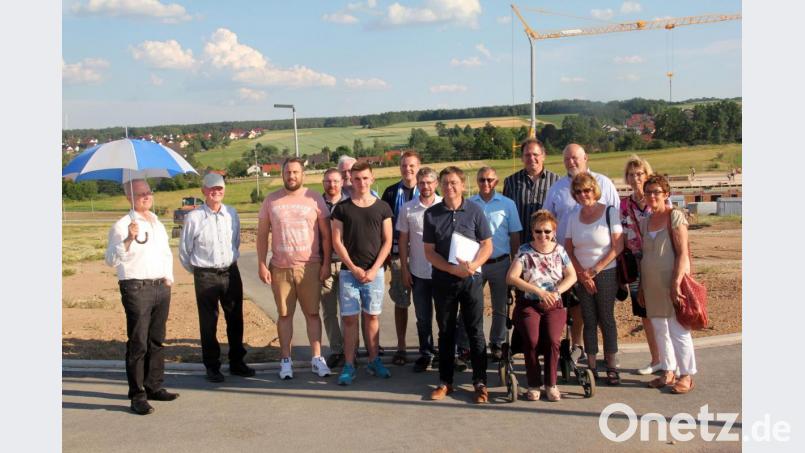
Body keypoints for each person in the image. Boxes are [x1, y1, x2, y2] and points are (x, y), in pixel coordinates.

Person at [105, 179, 179, 415]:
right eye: (140, 194)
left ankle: (154, 385)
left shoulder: (157, 223)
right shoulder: (122, 225)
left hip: (160, 286)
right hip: (136, 288)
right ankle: (137, 395)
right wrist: (127, 238)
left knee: (156, 340)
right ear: (129, 198)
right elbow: (111, 260)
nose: (147, 197)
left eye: (149, 192)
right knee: (138, 343)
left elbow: (165, 253)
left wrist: (168, 278)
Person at [257, 157, 333, 380]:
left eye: (296, 172)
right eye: (288, 172)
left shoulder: (314, 198)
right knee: (284, 315)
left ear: (303, 175)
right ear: (282, 174)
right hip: (280, 268)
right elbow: (262, 235)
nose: (291, 176)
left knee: (312, 314)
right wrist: (262, 263)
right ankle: (285, 360)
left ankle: (317, 358)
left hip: (310, 266)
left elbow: (327, 235)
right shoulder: (271, 200)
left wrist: (326, 263)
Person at [423, 166, 493, 404]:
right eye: (445, 183)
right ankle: (445, 381)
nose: (449, 187)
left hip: (471, 280)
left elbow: (487, 245)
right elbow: (429, 252)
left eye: (453, 183)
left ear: (462, 185)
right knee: (446, 332)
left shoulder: (475, 211)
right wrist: (452, 269)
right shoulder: (431, 214)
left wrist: (473, 266)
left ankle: (480, 382)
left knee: (475, 332)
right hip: (444, 281)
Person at [544, 143, 619, 363]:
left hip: (603, 266)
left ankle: (610, 360)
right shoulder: (556, 189)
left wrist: (595, 269)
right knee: (577, 311)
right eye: (567, 159)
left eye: (575, 158)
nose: (571, 162)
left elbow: (617, 231)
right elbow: (548, 221)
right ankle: (578, 350)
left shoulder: (605, 183)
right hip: (568, 263)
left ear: (585, 157)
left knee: (605, 316)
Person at [179, 173, 255, 383]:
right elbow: (185, 251)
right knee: (208, 322)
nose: (216, 192)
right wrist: (199, 272)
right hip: (206, 275)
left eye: (219, 189)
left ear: (224, 190)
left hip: (230, 271)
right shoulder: (194, 218)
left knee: (235, 319)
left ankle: (237, 362)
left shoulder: (231, 213)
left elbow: (235, 241)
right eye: (212, 189)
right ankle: (212, 366)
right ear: (204, 191)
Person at [331, 162, 394, 385]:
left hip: (374, 275)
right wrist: (353, 267)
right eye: (357, 179)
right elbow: (336, 241)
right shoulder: (341, 208)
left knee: (372, 317)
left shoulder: (383, 207)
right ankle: (349, 365)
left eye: (365, 178)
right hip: (350, 274)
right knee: (349, 320)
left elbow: (387, 242)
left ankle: (374, 360)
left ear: (372, 179)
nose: (361, 183)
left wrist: (375, 269)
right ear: (351, 181)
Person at [506, 210, 577, 402]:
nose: (542, 236)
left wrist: (556, 292)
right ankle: (534, 383)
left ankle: (551, 383)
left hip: (554, 304)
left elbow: (572, 275)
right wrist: (538, 291)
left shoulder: (560, 251)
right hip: (530, 304)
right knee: (532, 340)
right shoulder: (524, 251)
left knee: (554, 341)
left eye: (547, 231)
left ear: (554, 231)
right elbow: (511, 277)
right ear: (532, 231)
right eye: (538, 231)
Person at [563, 173, 623, 386]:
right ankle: (591, 365)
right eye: (578, 192)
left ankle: (612, 365)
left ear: (594, 190)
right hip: (581, 274)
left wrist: (594, 271)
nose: (583, 195)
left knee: (606, 318)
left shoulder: (609, 212)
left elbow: (618, 246)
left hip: (606, 272)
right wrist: (581, 274)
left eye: (587, 190)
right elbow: (568, 249)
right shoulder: (573, 217)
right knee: (588, 320)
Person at [639, 174, 697, 394]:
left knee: (678, 329)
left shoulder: (675, 217)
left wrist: (676, 282)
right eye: (648, 192)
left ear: (666, 194)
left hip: (673, 282)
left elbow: (683, 254)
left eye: (656, 192)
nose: (652, 196)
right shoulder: (646, 222)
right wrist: (642, 287)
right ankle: (668, 370)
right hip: (652, 283)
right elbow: (644, 256)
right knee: (659, 329)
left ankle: (686, 374)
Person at [463, 166, 522, 360]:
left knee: (501, 307)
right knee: (472, 305)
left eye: (490, 180)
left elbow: (514, 235)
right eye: (482, 180)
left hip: (501, 263)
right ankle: (468, 345)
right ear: (477, 181)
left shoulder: (508, 204)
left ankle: (497, 343)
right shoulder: (468, 203)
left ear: (496, 182)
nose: (486, 184)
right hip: (476, 263)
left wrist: (515, 264)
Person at [396, 167, 442, 372]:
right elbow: (403, 240)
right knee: (423, 317)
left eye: (429, 182)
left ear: (436, 183)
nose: (426, 186)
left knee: (445, 316)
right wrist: (405, 270)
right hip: (418, 272)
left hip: (443, 272)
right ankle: (426, 353)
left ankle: (446, 352)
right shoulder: (408, 208)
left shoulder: (445, 206)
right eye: (422, 182)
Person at [619, 156, 661, 375]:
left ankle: (671, 361)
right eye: (631, 174)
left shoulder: (658, 199)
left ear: (647, 175)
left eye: (639, 173)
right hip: (636, 263)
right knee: (644, 311)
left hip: (660, 261)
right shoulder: (624, 204)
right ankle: (656, 358)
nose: (635, 178)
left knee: (665, 311)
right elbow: (622, 234)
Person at [380, 151, 421, 366]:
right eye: (404, 166)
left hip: (424, 257)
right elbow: (383, 226)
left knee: (425, 304)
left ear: (419, 166)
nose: (408, 170)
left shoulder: (427, 190)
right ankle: (402, 346)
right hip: (397, 255)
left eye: (412, 166)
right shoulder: (390, 192)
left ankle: (426, 345)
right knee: (401, 302)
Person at [503, 138, 560, 245]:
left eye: (535, 154)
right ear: (522, 158)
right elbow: (507, 215)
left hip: (547, 245)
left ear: (543, 156)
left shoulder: (557, 181)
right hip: (520, 244)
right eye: (527, 155)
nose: (531, 158)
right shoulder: (511, 182)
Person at [320, 168, 348, 369]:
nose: (332, 185)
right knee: (329, 312)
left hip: (347, 263)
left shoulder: (350, 203)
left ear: (342, 182)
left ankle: (350, 350)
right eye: (328, 181)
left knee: (349, 311)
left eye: (336, 181)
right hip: (325, 263)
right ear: (323, 183)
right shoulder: (316, 204)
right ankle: (337, 350)